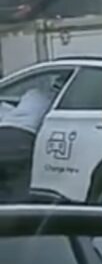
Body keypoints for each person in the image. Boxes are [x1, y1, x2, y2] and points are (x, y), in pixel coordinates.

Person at [0, 73, 67, 202]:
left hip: (4, 132)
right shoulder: (55, 98)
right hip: (23, 137)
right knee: (18, 183)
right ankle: (16, 213)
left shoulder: (33, 93)